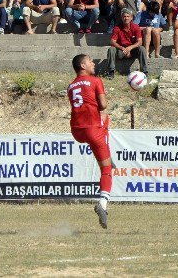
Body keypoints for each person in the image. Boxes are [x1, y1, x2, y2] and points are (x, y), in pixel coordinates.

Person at [67, 54, 113, 228]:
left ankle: (106, 153)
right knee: (106, 169)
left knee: (102, 125)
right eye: (90, 61)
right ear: (82, 65)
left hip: (76, 131)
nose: (93, 63)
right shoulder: (95, 80)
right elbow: (102, 105)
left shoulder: (71, 86)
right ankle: (102, 204)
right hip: (93, 129)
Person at [105, 8, 148, 78]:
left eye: (128, 16)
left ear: (131, 18)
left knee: (142, 48)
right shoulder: (117, 28)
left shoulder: (136, 27)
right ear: (121, 18)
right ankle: (111, 71)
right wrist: (122, 48)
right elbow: (112, 41)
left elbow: (140, 42)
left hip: (132, 50)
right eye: (124, 16)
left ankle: (144, 71)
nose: (126, 18)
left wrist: (129, 48)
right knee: (111, 49)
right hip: (121, 51)